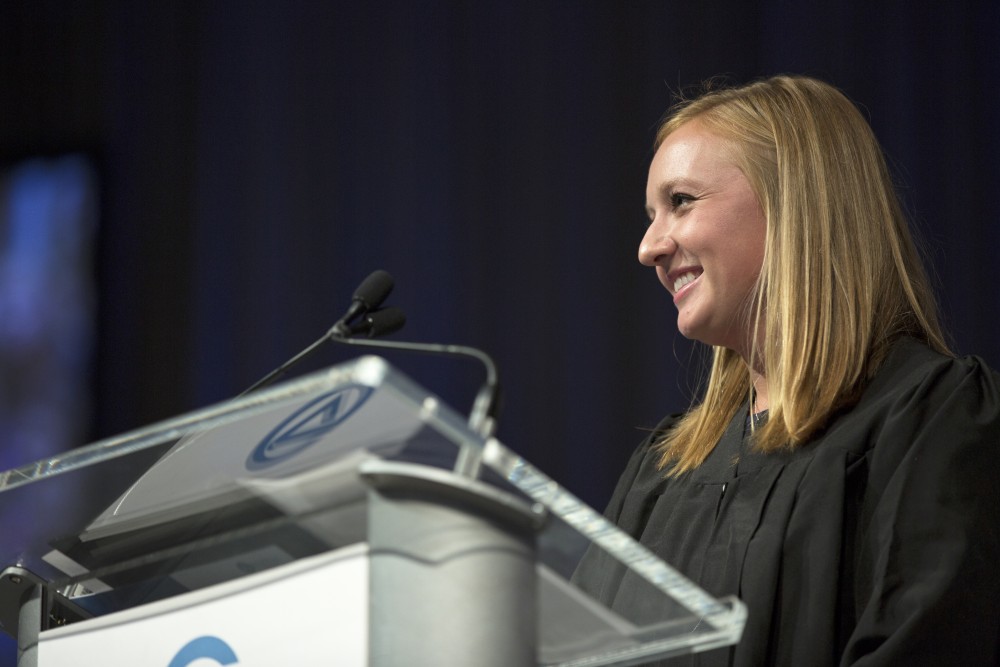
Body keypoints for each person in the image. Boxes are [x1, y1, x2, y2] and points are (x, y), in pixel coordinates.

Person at [573, 75, 1000, 665]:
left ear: (794, 204)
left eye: (681, 202)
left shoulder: (930, 421)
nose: (649, 247)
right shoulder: (664, 470)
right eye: (651, 214)